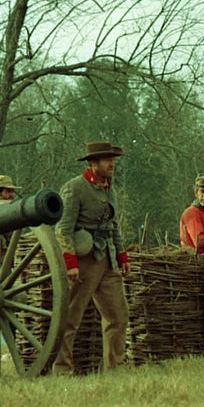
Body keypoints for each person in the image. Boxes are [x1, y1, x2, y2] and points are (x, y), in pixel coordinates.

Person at [52, 141, 130, 374]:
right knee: (70, 318)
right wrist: (70, 263)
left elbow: (112, 226)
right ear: (93, 163)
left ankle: (114, 370)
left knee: (118, 317)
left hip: (107, 260)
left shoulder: (109, 188)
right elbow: (63, 229)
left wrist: (122, 256)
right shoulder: (75, 188)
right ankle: (62, 370)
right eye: (107, 160)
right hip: (83, 261)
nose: (112, 164)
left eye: (113, 159)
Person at [179, 173, 204, 253]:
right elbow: (199, 241)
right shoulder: (191, 213)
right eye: (202, 191)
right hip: (196, 261)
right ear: (196, 193)